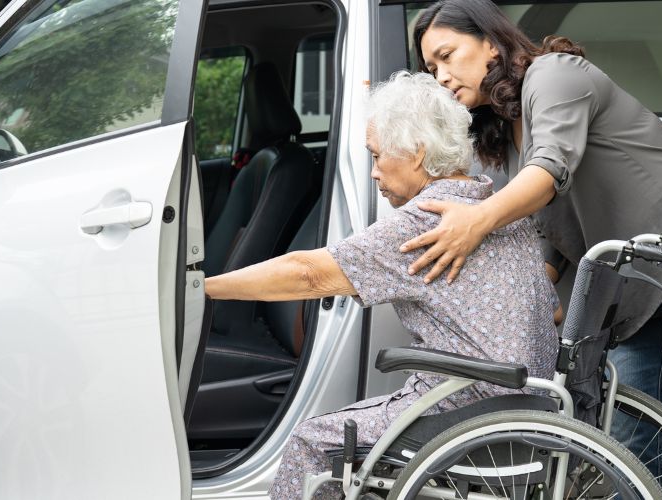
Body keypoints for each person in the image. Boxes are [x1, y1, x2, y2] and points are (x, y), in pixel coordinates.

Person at [400, 0, 662, 497]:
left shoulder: (553, 75)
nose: (441, 75)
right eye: (431, 68)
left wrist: (477, 221)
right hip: (634, 281)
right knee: (629, 443)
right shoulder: (505, 132)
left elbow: (551, 171)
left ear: (491, 41)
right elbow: (552, 228)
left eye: (447, 55)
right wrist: (533, 296)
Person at [204, 71, 558, 500]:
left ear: (416, 153)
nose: (373, 172)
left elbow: (309, 273)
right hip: (530, 401)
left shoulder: (426, 219)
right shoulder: (493, 202)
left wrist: (202, 289)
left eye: (376, 156)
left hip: (470, 406)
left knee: (312, 441)